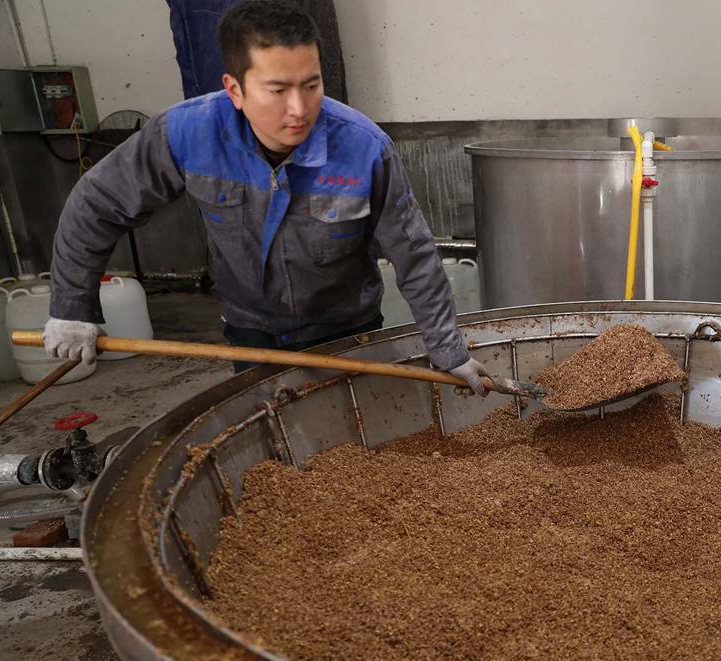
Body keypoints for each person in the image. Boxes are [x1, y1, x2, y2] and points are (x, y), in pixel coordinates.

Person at [43, 0, 489, 391]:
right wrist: (72, 307)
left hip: (349, 330)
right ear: (235, 89)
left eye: (311, 85)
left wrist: (449, 352)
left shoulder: (363, 148)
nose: (298, 109)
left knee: (355, 446)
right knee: (272, 456)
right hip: (252, 331)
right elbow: (96, 207)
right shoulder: (185, 134)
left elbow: (413, 255)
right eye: (277, 90)